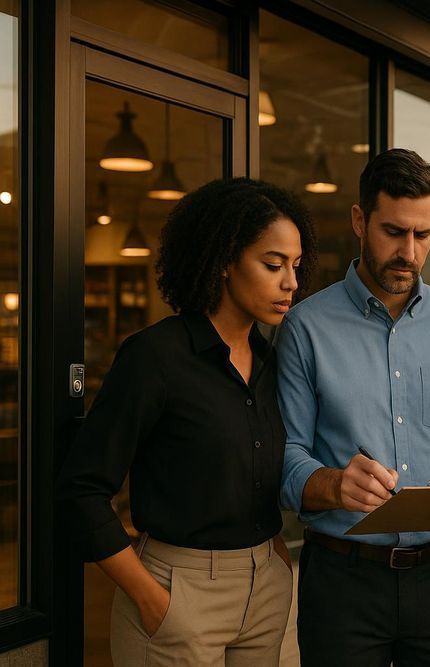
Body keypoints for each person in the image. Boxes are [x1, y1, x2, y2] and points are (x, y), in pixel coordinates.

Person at [57, 178, 317, 666]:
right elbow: (81, 489)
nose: (290, 283)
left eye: (296, 267)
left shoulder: (271, 364)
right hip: (177, 590)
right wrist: (151, 597)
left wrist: (276, 555)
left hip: (265, 588)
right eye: (272, 264)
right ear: (223, 261)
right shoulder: (155, 357)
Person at [278, 148, 430, 666]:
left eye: (423, 234)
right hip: (343, 583)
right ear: (360, 221)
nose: (409, 251)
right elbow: (286, 455)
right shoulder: (304, 328)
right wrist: (334, 484)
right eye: (393, 232)